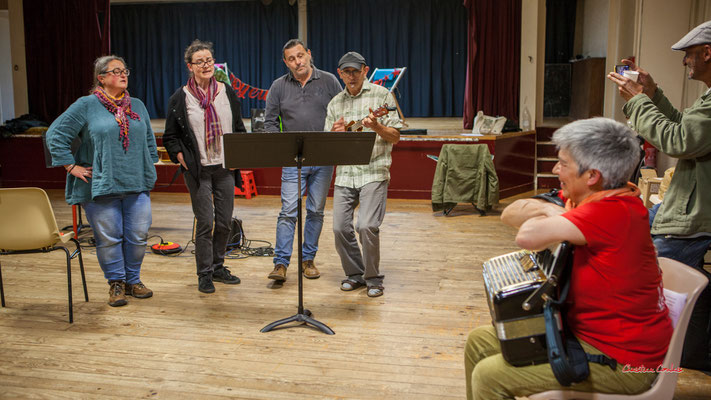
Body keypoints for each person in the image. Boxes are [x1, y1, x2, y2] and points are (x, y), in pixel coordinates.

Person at [465, 118, 672, 399]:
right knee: (479, 342)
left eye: (563, 163)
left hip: (626, 361)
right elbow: (510, 213)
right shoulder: (590, 198)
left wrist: (553, 211)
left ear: (592, 176)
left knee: (489, 376)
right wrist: (557, 211)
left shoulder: (614, 211)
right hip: (579, 333)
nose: (555, 169)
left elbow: (527, 235)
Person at [607, 20, 711, 372]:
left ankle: (646, 360)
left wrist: (638, 103)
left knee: (651, 279)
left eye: (689, 55)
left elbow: (680, 141)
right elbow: (686, 128)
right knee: (628, 233)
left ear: (707, 53)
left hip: (693, 215)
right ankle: (689, 353)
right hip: (684, 205)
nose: (686, 62)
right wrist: (652, 95)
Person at [47, 55, 157, 307]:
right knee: (109, 238)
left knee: (138, 235)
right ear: (102, 78)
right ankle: (116, 283)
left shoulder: (137, 105)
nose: (123, 74)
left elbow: (149, 139)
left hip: (136, 183)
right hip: (101, 184)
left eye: (125, 70)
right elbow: (56, 134)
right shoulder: (86, 105)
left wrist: (149, 163)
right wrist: (70, 165)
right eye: (116, 71)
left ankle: (134, 281)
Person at [163, 39, 246, 294]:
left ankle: (219, 267)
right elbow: (170, 136)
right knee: (205, 222)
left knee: (224, 222)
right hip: (198, 170)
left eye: (209, 60)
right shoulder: (180, 98)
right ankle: (205, 273)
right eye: (200, 62)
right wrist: (179, 155)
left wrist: (242, 154)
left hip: (224, 167)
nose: (206, 65)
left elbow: (239, 127)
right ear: (190, 66)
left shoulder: (226, 92)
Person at [325, 51, 403, 298]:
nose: (351, 76)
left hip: (374, 169)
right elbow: (326, 144)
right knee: (339, 228)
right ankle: (354, 274)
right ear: (340, 73)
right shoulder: (335, 103)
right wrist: (334, 136)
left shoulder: (382, 96)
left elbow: (396, 136)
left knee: (367, 225)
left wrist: (377, 126)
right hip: (346, 173)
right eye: (346, 71)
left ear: (365, 70)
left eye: (355, 71)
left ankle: (373, 278)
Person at [264, 39, 342, 284]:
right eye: (291, 58)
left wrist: (339, 130)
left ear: (309, 54)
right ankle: (280, 263)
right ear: (285, 62)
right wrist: (281, 150)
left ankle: (308, 260)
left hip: (324, 159)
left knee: (316, 211)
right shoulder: (278, 86)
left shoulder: (329, 81)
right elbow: (269, 123)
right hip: (293, 161)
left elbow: (343, 113)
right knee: (288, 212)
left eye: (300, 56)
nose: (297, 62)